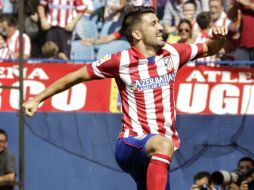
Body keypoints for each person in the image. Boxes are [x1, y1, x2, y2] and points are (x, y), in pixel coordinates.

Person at [22, 6, 228, 190]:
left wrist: (219, 39)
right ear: (137, 34)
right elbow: (75, 76)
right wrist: (37, 98)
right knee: (163, 144)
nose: (160, 28)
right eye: (153, 24)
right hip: (131, 144)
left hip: (157, 155)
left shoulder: (173, 52)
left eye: (158, 22)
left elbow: (210, 48)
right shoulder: (120, 61)